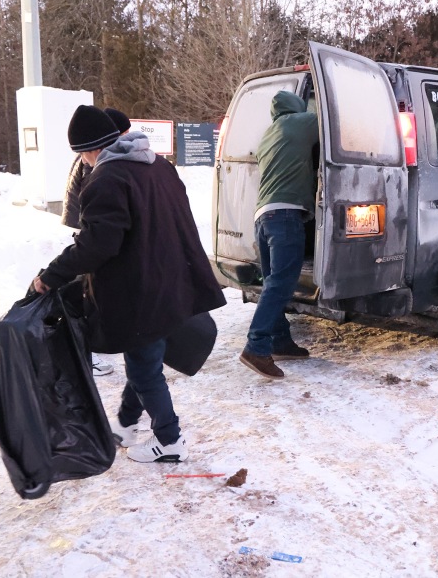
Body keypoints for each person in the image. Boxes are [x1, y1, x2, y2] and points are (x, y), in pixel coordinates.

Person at [33, 104, 225, 462]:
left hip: (141, 290)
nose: (84, 163)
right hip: (171, 279)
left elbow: (97, 245)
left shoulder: (106, 180)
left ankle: (169, 442)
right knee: (144, 358)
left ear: (89, 150)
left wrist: (51, 276)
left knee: (143, 366)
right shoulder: (158, 166)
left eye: (82, 156)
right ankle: (124, 424)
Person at [239, 91, 319, 380]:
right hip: (286, 215)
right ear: (296, 108)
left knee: (273, 282)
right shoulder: (301, 122)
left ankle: (280, 341)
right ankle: (256, 347)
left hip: (263, 216)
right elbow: (337, 125)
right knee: (282, 284)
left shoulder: (267, 134)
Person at [61, 107, 132, 378]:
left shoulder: (95, 158)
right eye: (122, 133)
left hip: (87, 228)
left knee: (89, 293)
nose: (124, 138)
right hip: (87, 229)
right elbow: (97, 208)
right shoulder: (95, 163)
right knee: (88, 296)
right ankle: (87, 355)